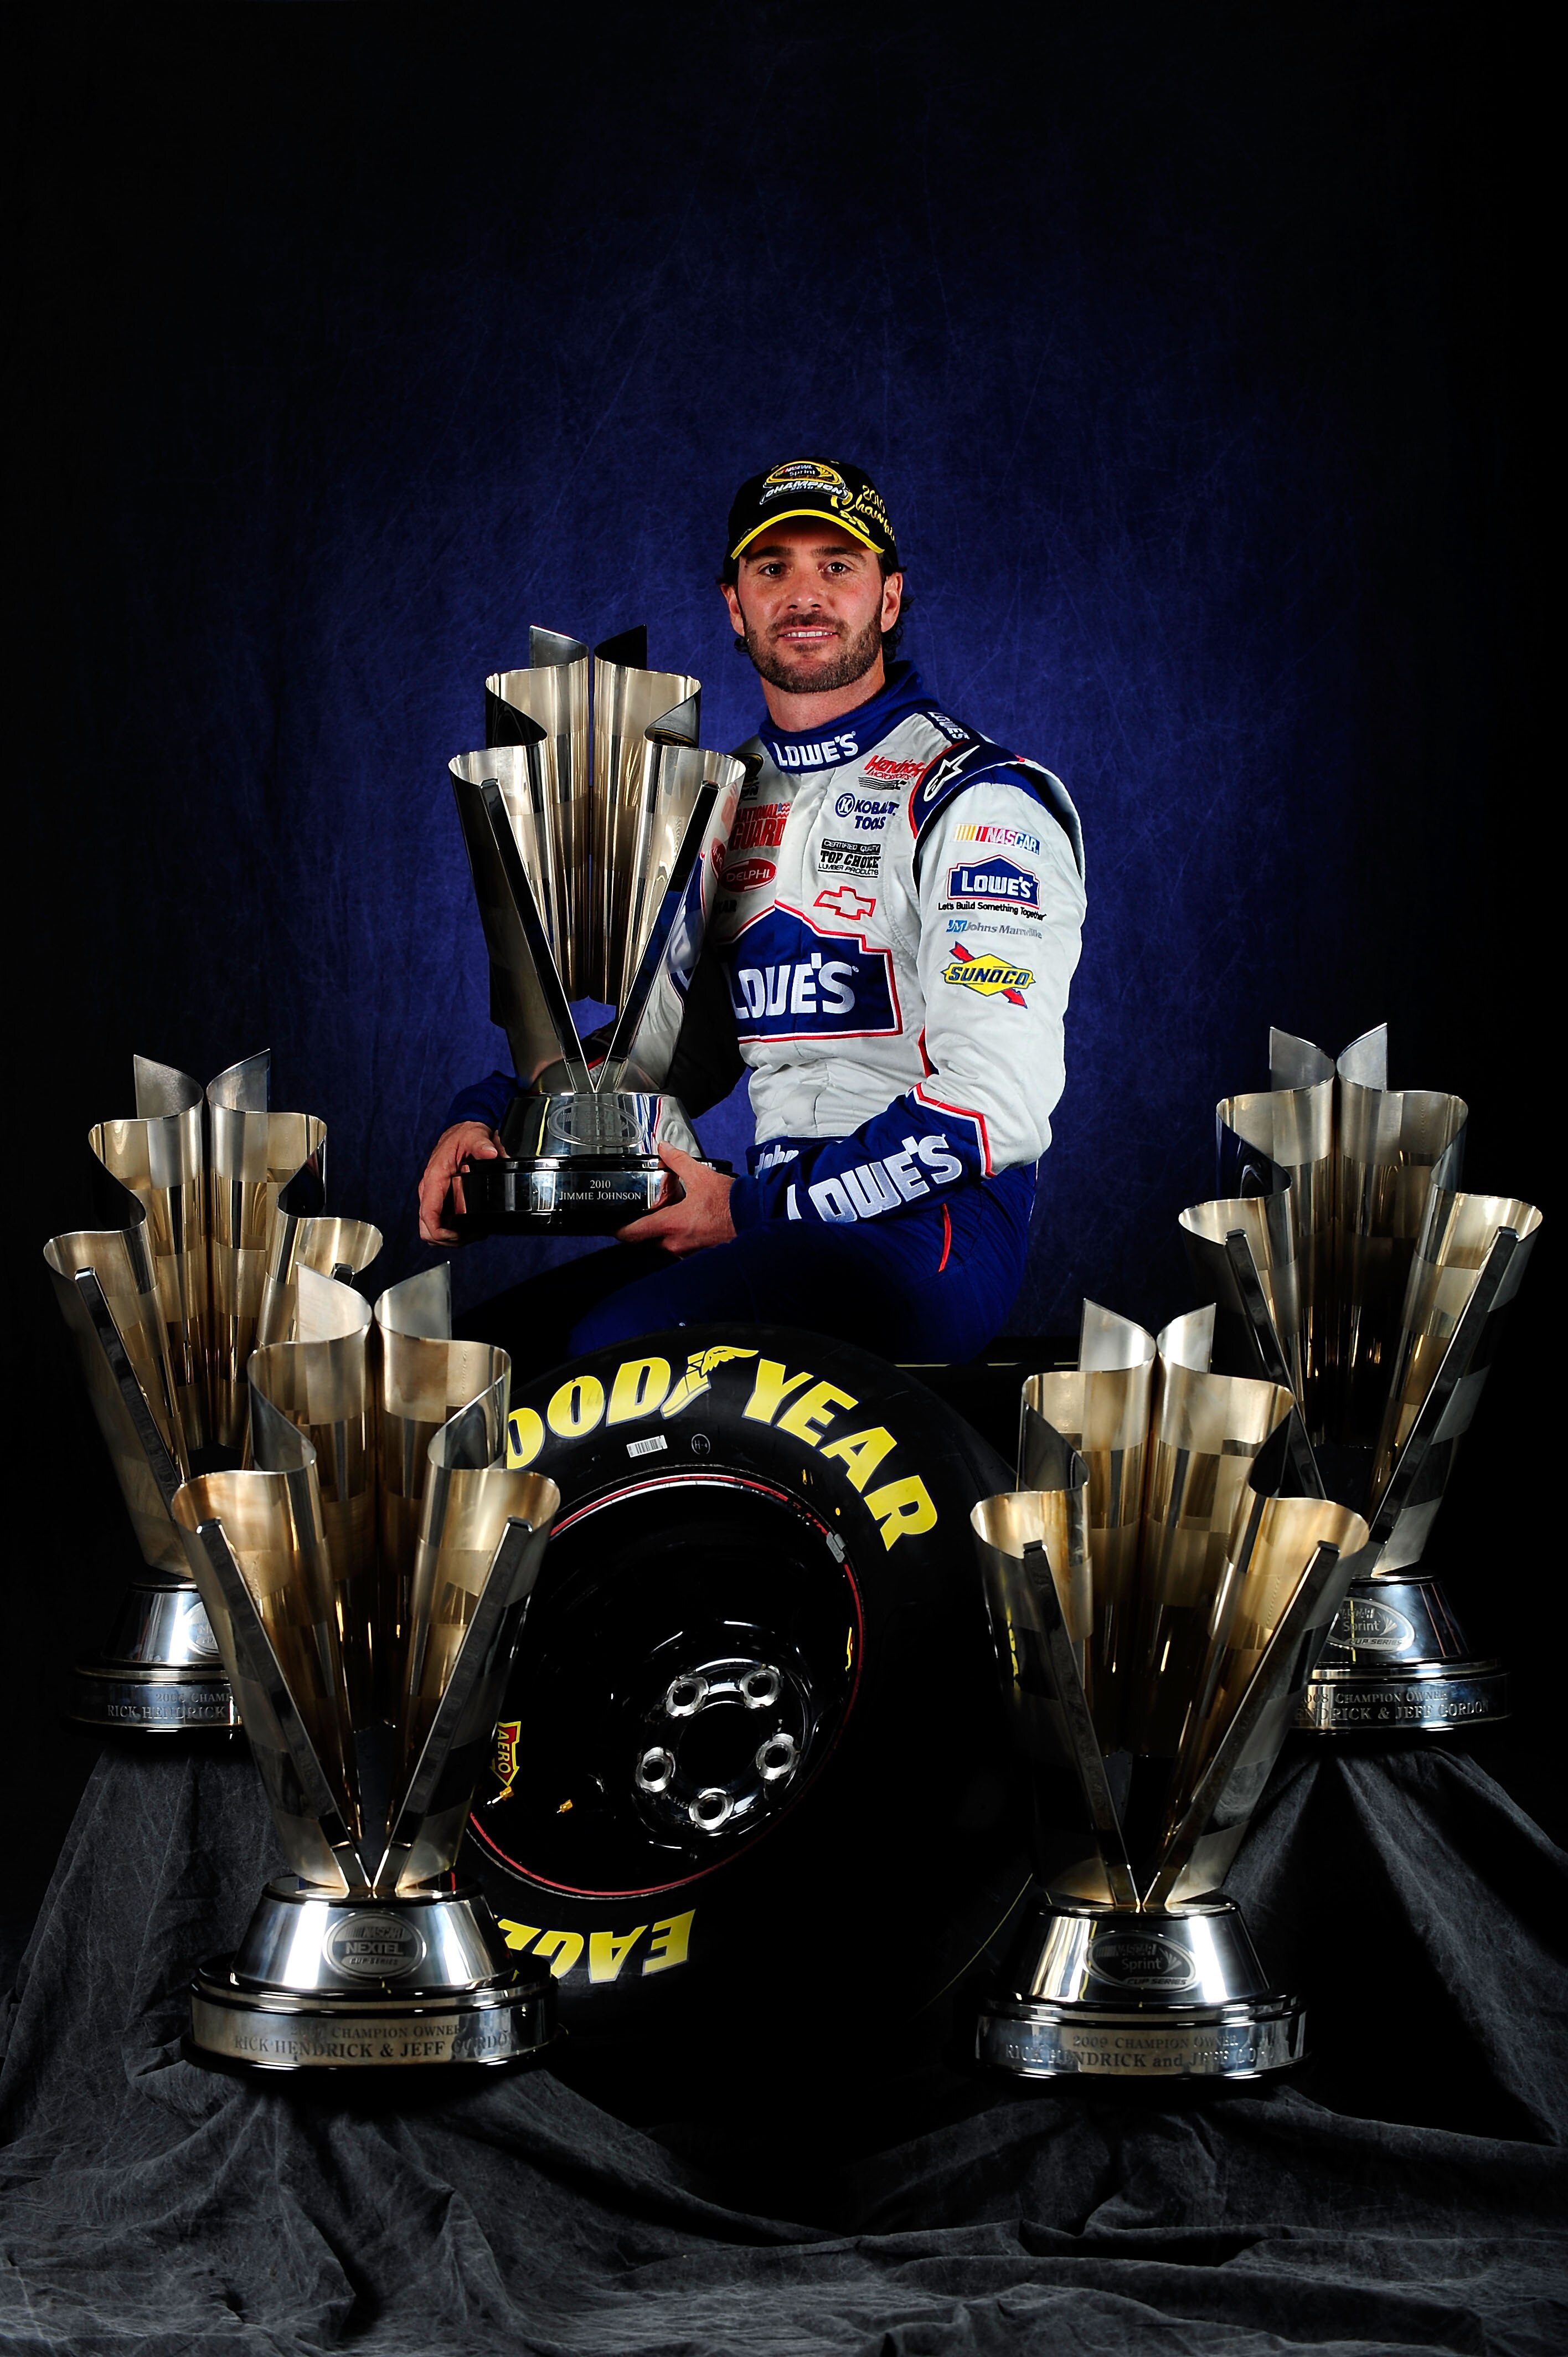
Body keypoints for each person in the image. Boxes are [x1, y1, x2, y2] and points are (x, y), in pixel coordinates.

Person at [419, 456, 1085, 1367]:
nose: (804, 594)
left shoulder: (976, 800)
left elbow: (993, 1110)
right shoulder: (726, 802)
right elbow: (678, 1055)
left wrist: (748, 1210)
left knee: (609, 1355)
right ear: (735, 605)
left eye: (837, 565)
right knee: (493, 1359)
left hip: (930, 1234)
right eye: (773, 568)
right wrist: (495, 1118)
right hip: (774, 1217)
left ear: (890, 598)